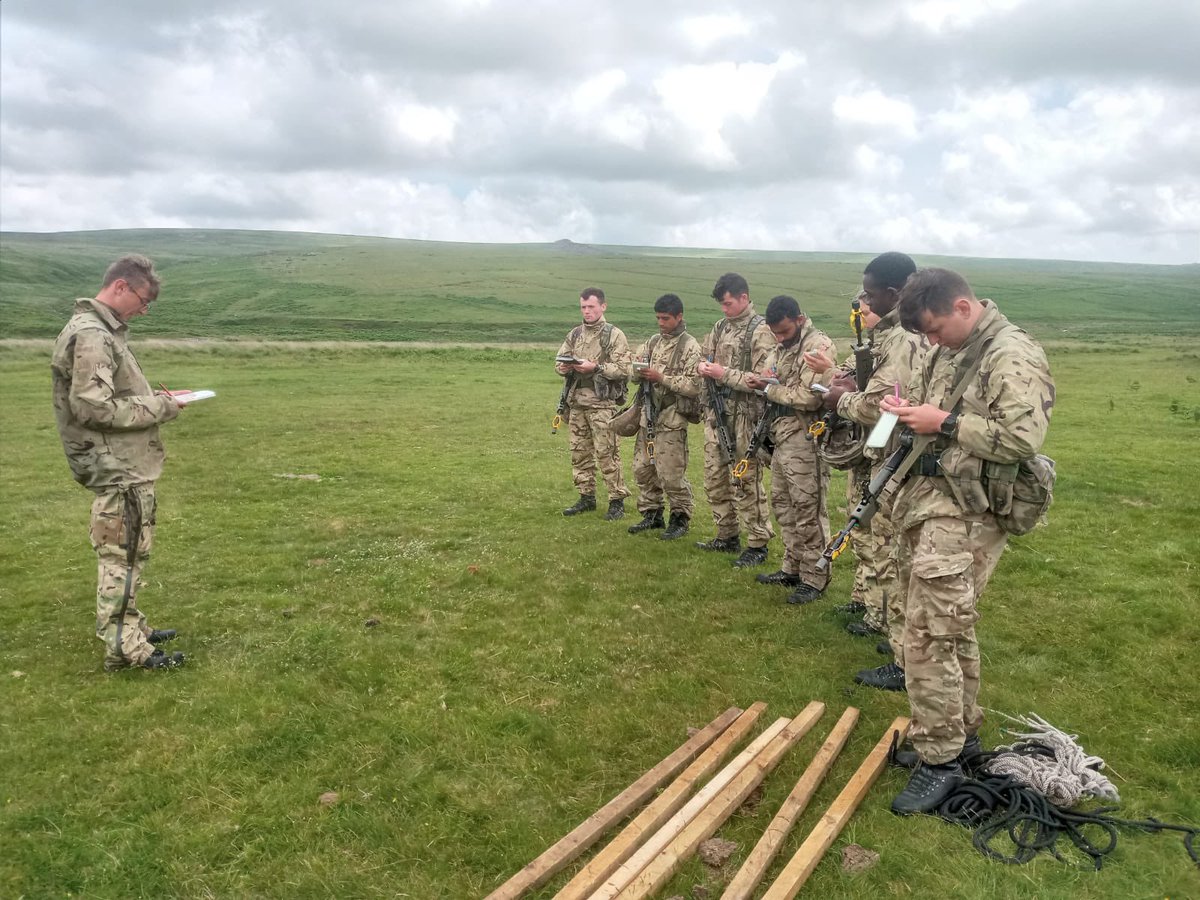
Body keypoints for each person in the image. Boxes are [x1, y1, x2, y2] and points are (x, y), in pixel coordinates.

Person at [881, 267, 1054, 814]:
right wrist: (911, 415)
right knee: (949, 628)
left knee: (929, 634)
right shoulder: (955, 348)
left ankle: (940, 759)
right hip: (935, 504)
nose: (932, 342)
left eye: (935, 329)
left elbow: (1022, 438)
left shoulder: (1011, 354)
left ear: (962, 306)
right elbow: (938, 411)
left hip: (968, 513)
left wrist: (945, 423)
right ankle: (960, 735)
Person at [51, 255, 186, 671]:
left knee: (130, 553)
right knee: (121, 556)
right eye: (144, 301)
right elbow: (94, 408)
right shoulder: (93, 334)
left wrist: (155, 401)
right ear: (121, 287)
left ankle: (130, 628)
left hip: (123, 462)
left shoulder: (101, 331)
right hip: (117, 465)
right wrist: (161, 407)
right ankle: (125, 649)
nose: (144, 311)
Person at [809, 253, 927, 692]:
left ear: (893, 294)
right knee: (884, 549)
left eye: (871, 294)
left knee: (894, 555)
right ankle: (893, 634)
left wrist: (838, 399)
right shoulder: (893, 335)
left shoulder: (902, 339)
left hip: (899, 456)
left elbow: (883, 406)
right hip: (888, 452)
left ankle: (904, 659)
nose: (865, 301)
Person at [746, 296, 836, 604]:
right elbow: (775, 376)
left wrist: (769, 388)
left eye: (784, 331)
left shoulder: (818, 346)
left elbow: (810, 397)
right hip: (782, 435)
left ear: (799, 319)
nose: (780, 338)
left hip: (806, 437)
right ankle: (792, 567)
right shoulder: (781, 346)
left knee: (808, 509)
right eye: (775, 333)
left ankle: (815, 577)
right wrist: (764, 381)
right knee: (784, 505)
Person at [695, 273, 776, 568]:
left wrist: (722, 373)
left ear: (744, 297)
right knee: (714, 478)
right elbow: (706, 359)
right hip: (717, 413)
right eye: (721, 304)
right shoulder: (720, 327)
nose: (724, 309)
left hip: (745, 415)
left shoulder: (761, 330)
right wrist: (704, 370)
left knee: (745, 480)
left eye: (728, 303)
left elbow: (764, 380)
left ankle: (757, 542)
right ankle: (726, 534)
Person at [626, 294, 703, 540]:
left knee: (670, 473)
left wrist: (661, 378)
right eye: (658, 318)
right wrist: (638, 370)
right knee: (643, 468)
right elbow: (632, 374)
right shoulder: (652, 342)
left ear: (679, 316)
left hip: (672, 418)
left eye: (666, 318)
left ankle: (680, 517)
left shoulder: (690, 346)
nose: (661, 323)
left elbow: (694, 386)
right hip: (647, 415)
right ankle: (652, 513)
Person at [555, 287, 633, 520]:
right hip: (576, 403)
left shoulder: (614, 335)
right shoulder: (575, 334)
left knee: (607, 453)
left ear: (603, 306)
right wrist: (564, 367)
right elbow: (558, 361)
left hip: (602, 404)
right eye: (583, 307)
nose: (587, 311)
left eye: (591, 306)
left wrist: (596, 367)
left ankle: (616, 500)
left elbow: (624, 369)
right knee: (579, 453)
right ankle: (586, 497)